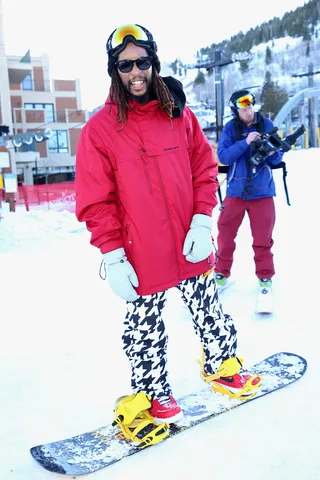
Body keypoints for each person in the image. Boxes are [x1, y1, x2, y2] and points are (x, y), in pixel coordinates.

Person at [75, 25, 261, 437]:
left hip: (190, 239)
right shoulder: (100, 131)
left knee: (209, 308)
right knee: (144, 325)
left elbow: (203, 169)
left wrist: (201, 218)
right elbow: (95, 199)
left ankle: (222, 365)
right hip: (139, 250)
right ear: (115, 71)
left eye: (142, 61)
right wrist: (112, 253)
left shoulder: (179, 114)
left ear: (154, 63)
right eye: (125, 65)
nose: (135, 72)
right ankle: (151, 391)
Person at [215, 89, 284, 293]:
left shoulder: (266, 125)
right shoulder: (230, 129)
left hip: (262, 193)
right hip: (235, 193)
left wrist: (271, 151)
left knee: (263, 239)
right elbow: (224, 157)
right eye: (243, 105)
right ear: (235, 109)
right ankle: (221, 274)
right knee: (225, 235)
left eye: (250, 104)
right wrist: (245, 142)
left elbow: (277, 159)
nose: (248, 108)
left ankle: (265, 277)